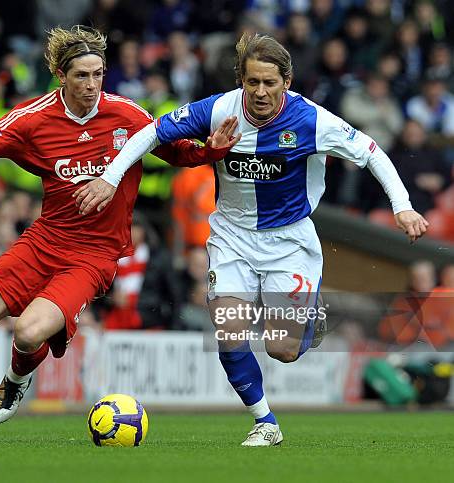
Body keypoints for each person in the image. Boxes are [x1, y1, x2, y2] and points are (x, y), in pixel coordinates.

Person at [74, 33, 428, 447]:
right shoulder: (218, 109)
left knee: (282, 349)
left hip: (289, 241)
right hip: (231, 234)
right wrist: (110, 178)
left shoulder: (313, 120)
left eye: (270, 83)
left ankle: (310, 322)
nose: (260, 92)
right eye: (252, 82)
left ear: (287, 82)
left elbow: (371, 152)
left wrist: (401, 206)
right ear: (241, 80)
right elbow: (150, 134)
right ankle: (265, 421)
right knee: (229, 330)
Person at [0, 25, 239, 442]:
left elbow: (175, 151)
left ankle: (16, 378)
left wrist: (213, 150)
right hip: (45, 238)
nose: (93, 84)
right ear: (61, 75)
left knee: (27, 333)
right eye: (82, 75)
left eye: (99, 74)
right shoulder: (33, 119)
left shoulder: (128, 115)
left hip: (94, 254)